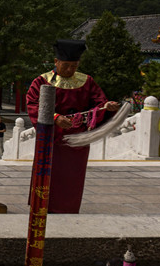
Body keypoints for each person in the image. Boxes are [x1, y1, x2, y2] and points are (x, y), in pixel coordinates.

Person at [26, 39, 119, 214]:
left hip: (78, 140)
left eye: (74, 66)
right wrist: (55, 117)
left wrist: (108, 107)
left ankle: (69, 208)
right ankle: (42, 206)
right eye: (66, 65)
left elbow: (99, 102)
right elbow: (32, 104)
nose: (70, 70)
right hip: (52, 136)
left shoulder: (87, 81)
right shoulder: (42, 81)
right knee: (48, 174)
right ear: (56, 62)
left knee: (73, 177)